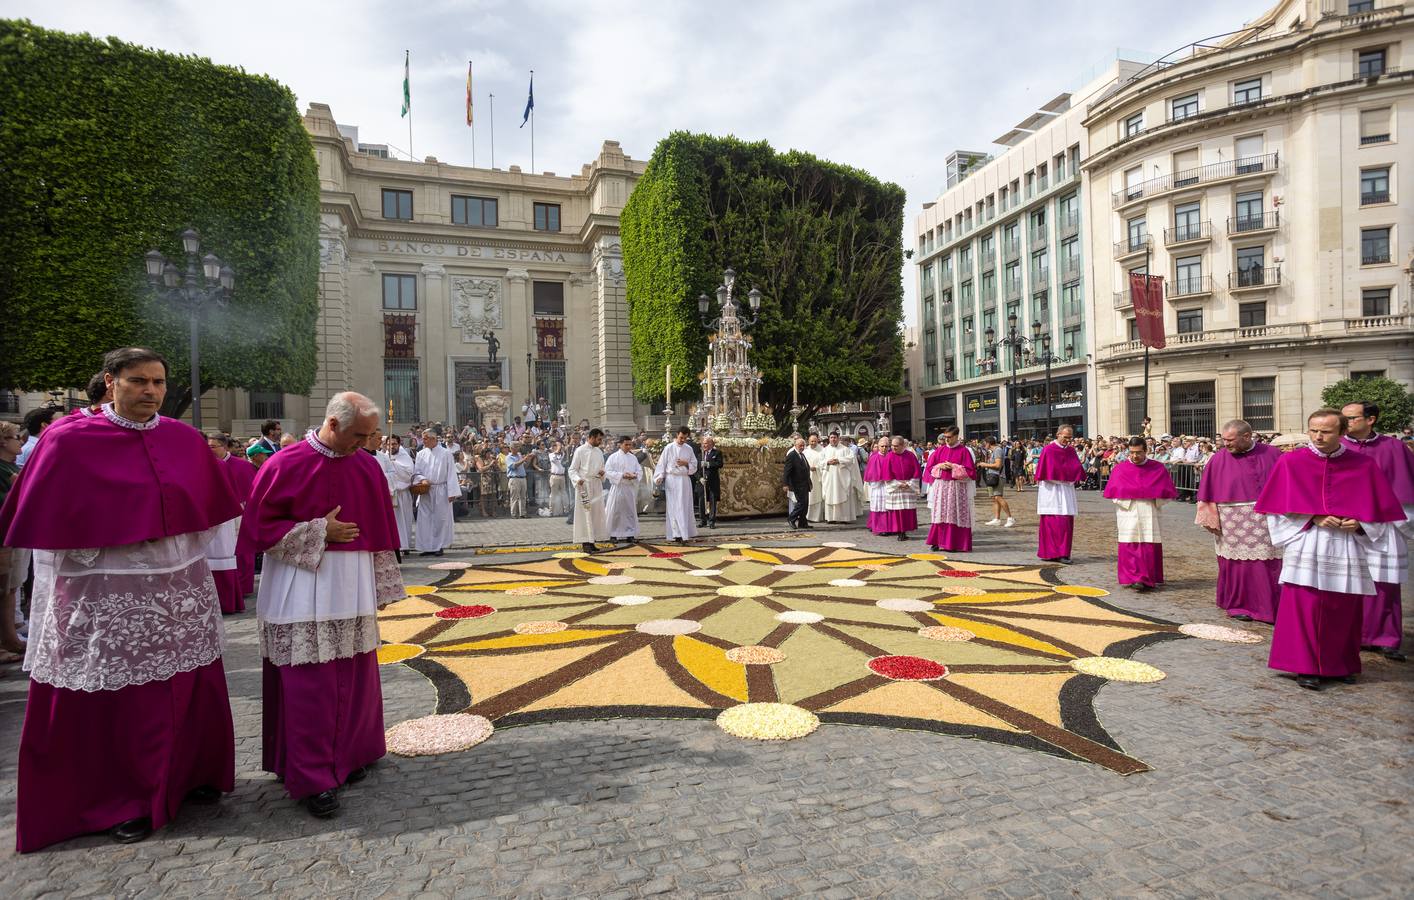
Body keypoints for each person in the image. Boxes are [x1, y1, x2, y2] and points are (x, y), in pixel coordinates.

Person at [1, 346, 240, 851]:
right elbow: (48, 523)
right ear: (110, 382)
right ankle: (122, 798)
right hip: (103, 594)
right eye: (138, 381)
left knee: (179, 686)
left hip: (175, 591)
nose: (150, 391)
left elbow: (206, 508)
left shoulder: (182, 438)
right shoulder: (67, 438)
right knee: (119, 700)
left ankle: (186, 776)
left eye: (157, 382)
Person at [238, 392, 402, 817]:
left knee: (353, 674)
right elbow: (259, 529)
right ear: (332, 423)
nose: (363, 444)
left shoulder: (366, 465)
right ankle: (311, 775)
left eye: (370, 436)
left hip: (352, 586)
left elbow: (380, 532)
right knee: (308, 682)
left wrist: (382, 586)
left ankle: (348, 756)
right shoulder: (283, 464)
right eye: (357, 435)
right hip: (301, 584)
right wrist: (317, 532)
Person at [1257, 409, 1403, 689]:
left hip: (1346, 545)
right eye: (1314, 431)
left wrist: (1360, 524)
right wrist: (1311, 516)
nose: (1319, 437)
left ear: (1342, 433)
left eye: (1326, 431)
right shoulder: (1291, 462)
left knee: (1342, 607)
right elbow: (1274, 511)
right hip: (1309, 542)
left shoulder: (1363, 465)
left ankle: (1339, 664)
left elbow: (1380, 513)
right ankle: (1305, 666)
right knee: (1305, 605)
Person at [1340, 401, 1414, 661]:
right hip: (1345, 526)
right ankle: (1351, 635)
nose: (1345, 422)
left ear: (1370, 419)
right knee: (1347, 582)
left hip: (1384, 524)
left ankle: (1386, 638)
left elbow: (1406, 490)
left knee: (1385, 584)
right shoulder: (1337, 447)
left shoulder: (1393, 447)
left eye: (1351, 417)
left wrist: (1390, 520)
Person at [1194, 419, 1284, 623]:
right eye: (1224, 440)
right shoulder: (1218, 459)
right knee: (1237, 564)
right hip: (1231, 522)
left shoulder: (1272, 454)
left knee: (1266, 563)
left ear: (1247, 437)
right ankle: (1240, 604)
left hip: (1266, 520)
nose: (1226, 444)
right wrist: (1209, 519)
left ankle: (1269, 605)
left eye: (1230, 440)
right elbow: (1205, 495)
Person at [1103, 436, 1178, 591]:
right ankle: (1131, 577)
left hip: (1149, 509)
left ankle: (1147, 577)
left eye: (1138, 452)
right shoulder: (1120, 469)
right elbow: (1114, 494)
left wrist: (1153, 499)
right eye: (1131, 452)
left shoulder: (1157, 468)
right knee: (1129, 543)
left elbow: (1167, 493)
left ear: (1146, 451)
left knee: (1148, 544)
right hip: (1128, 510)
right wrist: (1129, 499)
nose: (1134, 456)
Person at [206, 432, 255, 615]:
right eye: (208, 447)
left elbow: (251, 490)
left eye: (213, 447)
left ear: (224, 447)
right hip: (215, 516)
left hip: (238, 514)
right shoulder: (206, 464)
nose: (209, 450)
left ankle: (242, 587)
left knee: (240, 552)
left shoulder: (242, 466)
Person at [1035, 427, 1084, 563]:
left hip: (1066, 489)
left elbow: (1076, 468)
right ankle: (1049, 553)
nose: (1068, 440)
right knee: (1050, 522)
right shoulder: (1048, 450)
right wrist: (1059, 477)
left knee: (1064, 522)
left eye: (1070, 437)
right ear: (1058, 434)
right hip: (1051, 490)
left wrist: (1070, 477)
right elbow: (1044, 472)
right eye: (1065, 437)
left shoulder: (1070, 450)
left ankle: (1063, 553)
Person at [0, 421, 28, 658]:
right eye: (16, 436)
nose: (21, 440)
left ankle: (10, 638)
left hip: (11, 536)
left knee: (9, 588)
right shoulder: (2, 470)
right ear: (2, 442)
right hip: (3, 538)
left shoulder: (9, 467)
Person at [923, 426, 975, 552]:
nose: (947, 440)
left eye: (949, 437)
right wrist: (940, 466)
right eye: (945, 437)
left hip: (956, 488)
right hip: (941, 487)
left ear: (957, 436)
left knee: (954, 514)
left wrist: (953, 467)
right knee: (939, 515)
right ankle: (937, 541)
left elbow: (970, 472)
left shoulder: (964, 451)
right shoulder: (939, 451)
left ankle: (954, 543)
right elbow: (929, 468)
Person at [412, 431, 458, 556]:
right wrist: (422, 479)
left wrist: (451, 492)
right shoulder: (421, 454)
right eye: (423, 439)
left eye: (426, 439)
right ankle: (427, 547)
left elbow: (451, 473)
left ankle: (439, 546)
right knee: (424, 519)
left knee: (440, 519)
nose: (423, 441)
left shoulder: (446, 453)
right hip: (426, 490)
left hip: (441, 489)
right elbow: (416, 471)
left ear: (433, 439)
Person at [654, 426, 699, 543]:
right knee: (674, 507)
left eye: (685, 438)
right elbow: (662, 464)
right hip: (672, 480)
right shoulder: (669, 448)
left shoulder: (688, 449)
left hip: (684, 480)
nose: (682, 440)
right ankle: (676, 533)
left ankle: (685, 533)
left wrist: (686, 463)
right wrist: (659, 476)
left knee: (684, 506)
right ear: (676, 435)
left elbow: (694, 465)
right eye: (681, 437)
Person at [569, 428, 609, 552]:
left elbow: (602, 467)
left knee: (596, 514)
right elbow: (572, 469)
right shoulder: (580, 450)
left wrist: (602, 473)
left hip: (596, 484)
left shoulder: (599, 451)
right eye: (599, 439)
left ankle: (593, 541)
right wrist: (577, 479)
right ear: (591, 437)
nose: (600, 442)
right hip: (584, 485)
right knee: (584, 513)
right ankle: (585, 542)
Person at [378, 435, 416, 552]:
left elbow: (408, 474)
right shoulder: (383, 457)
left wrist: (394, 464)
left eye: (394, 444)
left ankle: (404, 545)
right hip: (389, 494)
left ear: (399, 444)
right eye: (389, 444)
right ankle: (393, 545)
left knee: (403, 521)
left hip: (402, 493)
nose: (391, 446)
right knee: (392, 521)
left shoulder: (405, 457)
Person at [879, 435, 922, 541]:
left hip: (908, 487)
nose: (893, 448)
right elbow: (886, 474)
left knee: (906, 512)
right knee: (897, 512)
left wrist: (910, 483)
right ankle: (899, 532)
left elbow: (916, 472)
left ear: (903, 445)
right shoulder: (889, 456)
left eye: (896, 446)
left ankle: (904, 531)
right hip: (896, 488)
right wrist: (898, 484)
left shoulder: (911, 455)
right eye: (892, 446)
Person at [604, 435, 643, 543]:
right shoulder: (613, 457)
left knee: (629, 511)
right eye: (626, 444)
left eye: (630, 444)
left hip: (629, 488)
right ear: (620, 445)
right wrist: (621, 475)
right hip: (618, 487)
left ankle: (629, 533)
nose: (628, 447)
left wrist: (635, 475)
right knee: (615, 511)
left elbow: (639, 471)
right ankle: (613, 534)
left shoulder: (633, 457)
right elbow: (608, 471)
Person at [820, 432, 861, 523]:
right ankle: (831, 518)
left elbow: (851, 459)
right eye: (831, 437)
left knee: (843, 496)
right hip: (829, 478)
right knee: (830, 496)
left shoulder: (845, 449)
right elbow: (820, 462)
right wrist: (828, 462)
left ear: (838, 438)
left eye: (835, 437)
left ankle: (844, 518)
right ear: (829, 438)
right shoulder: (824, 450)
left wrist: (839, 460)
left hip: (842, 478)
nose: (833, 439)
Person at [978, 437, 1014, 528]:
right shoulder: (992, 451)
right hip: (991, 476)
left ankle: (1010, 518)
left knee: (998, 497)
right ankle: (997, 519)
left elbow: (998, 465)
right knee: (994, 498)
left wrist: (984, 464)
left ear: (989, 443)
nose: (984, 445)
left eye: (985, 443)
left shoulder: (997, 450)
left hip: (997, 476)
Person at [783, 437, 813, 529]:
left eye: (803, 445)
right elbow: (786, 471)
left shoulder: (802, 455)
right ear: (795, 445)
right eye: (800, 445)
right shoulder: (792, 455)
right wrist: (785, 484)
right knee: (801, 503)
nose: (802, 447)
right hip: (797, 484)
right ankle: (791, 518)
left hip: (805, 483)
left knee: (805, 504)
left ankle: (803, 522)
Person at [802, 434, 827, 524]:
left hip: (817, 477)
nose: (813, 443)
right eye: (811, 441)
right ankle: (807, 516)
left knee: (817, 496)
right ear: (808, 441)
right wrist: (808, 467)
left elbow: (824, 463)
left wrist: (816, 467)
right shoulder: (805, 451)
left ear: (818, 441)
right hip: (807, 476)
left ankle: (817, 517)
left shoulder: (822, 451)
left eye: (815, 441)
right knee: (809, 496)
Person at [700, 435, 723, 528]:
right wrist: (699, 478)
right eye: (703, 443)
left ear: (711, 444)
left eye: (706, 443)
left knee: (712, 501)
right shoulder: (699, 453)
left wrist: (708, 464)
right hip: (702, 482)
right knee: (702, 501)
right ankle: (703, 520)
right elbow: (696, 468)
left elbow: (720, 464)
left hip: (712, 481)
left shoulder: (717, 452)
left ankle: (712, 521)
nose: (704, 445)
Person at [505, 444, 528, 518]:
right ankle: (514, 514)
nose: (518, 448)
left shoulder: (519, 455)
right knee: (514, 497)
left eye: (518, 447)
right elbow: (513, 466)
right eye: (516, 447)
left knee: (523, 497)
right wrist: (523, 459)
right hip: (514, 478)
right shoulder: (508, 457)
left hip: (523, 477)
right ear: (511, 448)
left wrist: (528, 459)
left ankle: (523, 513)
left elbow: (524, 465)